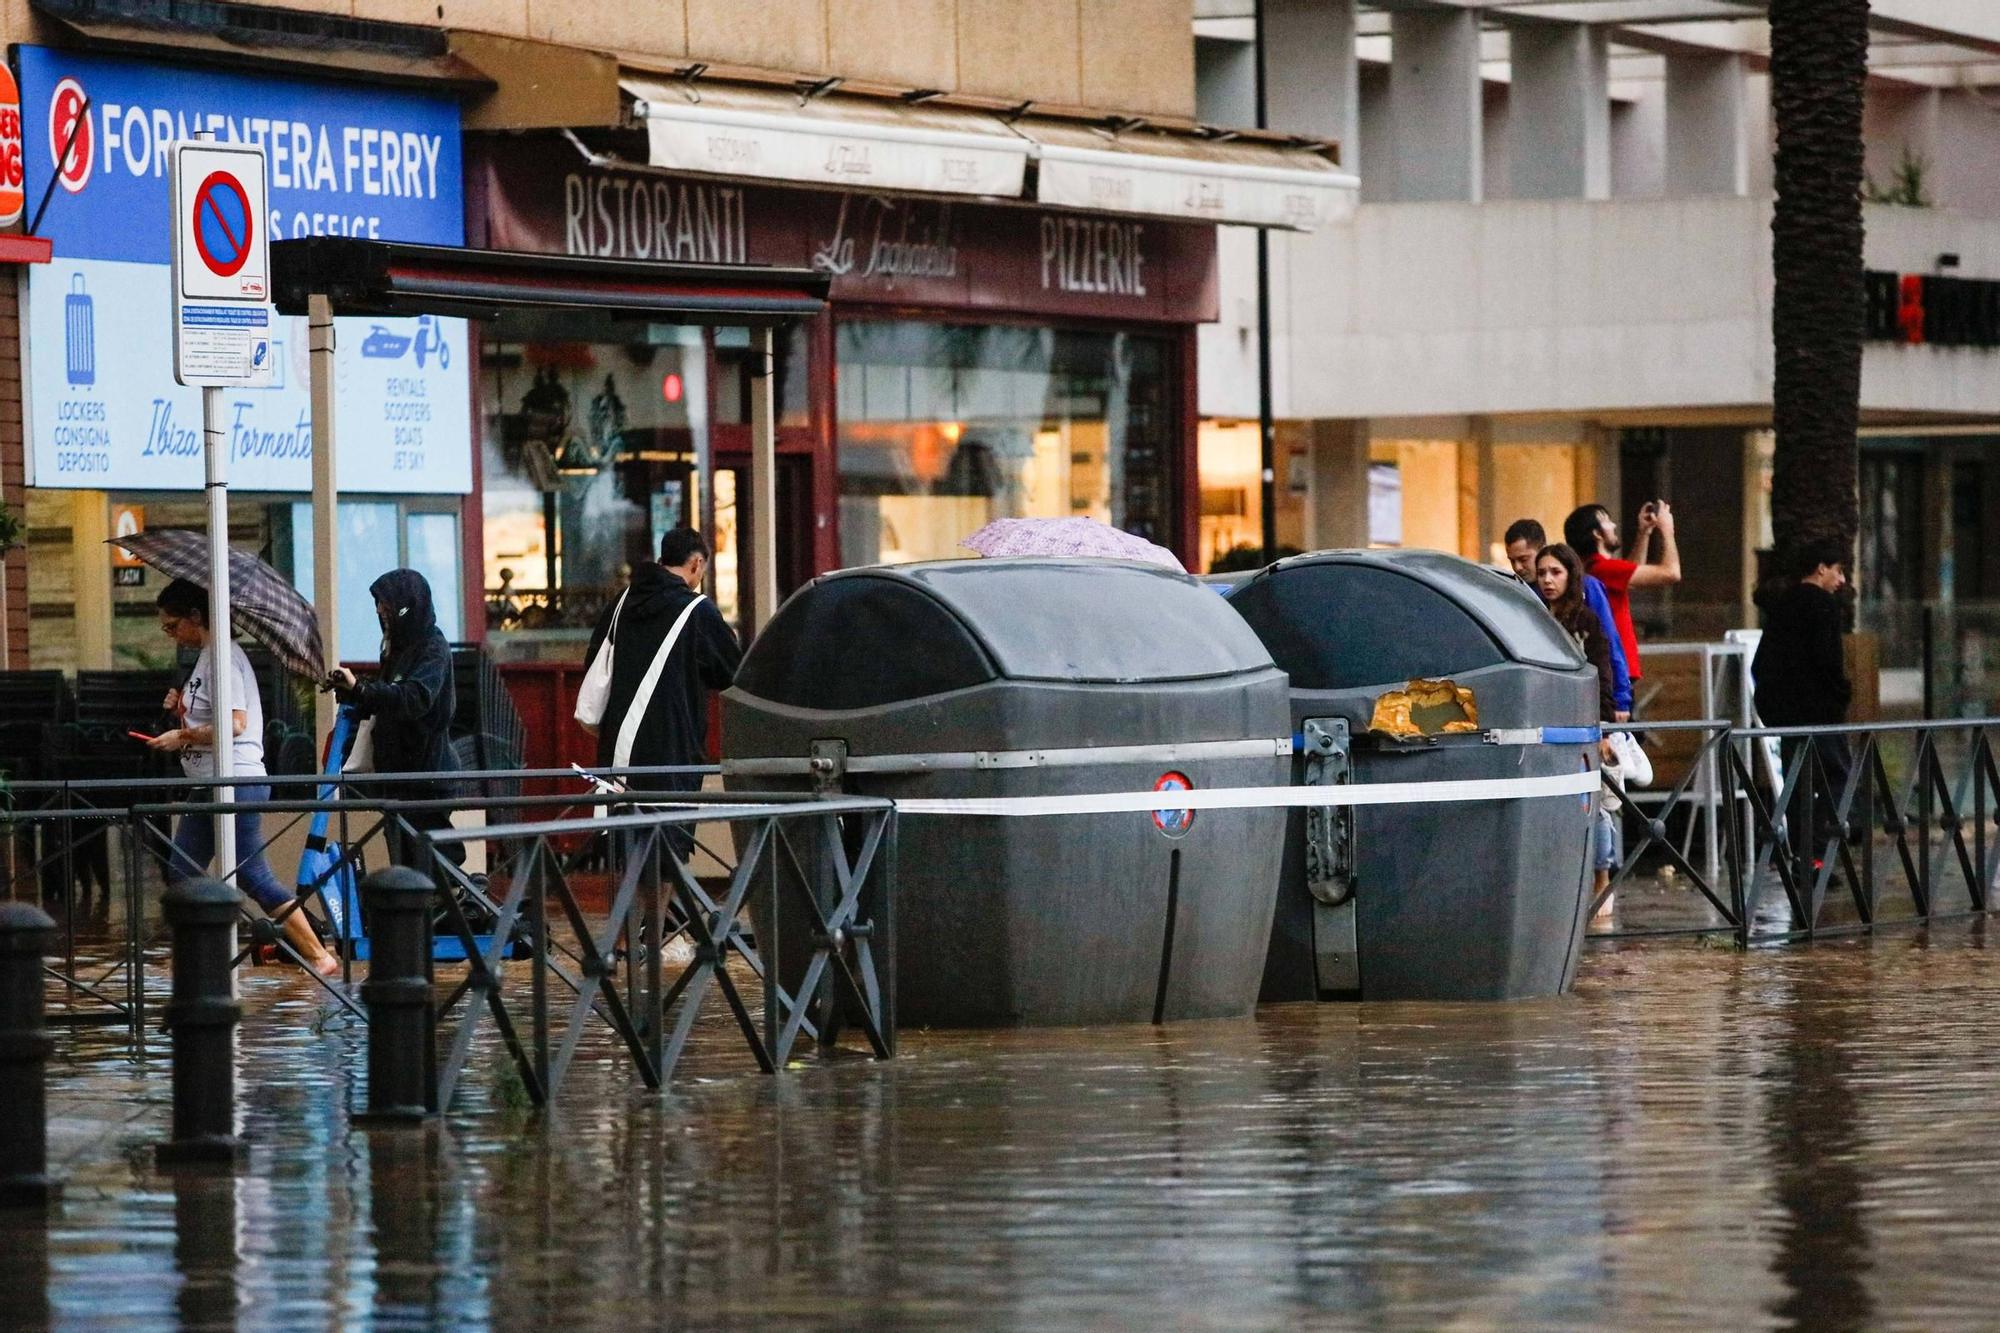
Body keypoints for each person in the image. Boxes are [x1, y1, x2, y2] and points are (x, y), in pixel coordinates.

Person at [148, 579, 339, 978]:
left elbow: (235, 724)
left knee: (252, 874)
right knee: (182, 870)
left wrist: (181, 736)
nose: (170, 635)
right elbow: (212, 713)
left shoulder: (223, 658)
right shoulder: (207, 658)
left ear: (196, 616)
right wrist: (180, 707)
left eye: (172, 626)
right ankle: (196, 957)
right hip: (211, 783)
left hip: (234, 780)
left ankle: (318, 955)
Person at [584, 528, 742, 793]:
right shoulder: (697, 611)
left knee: (620, 817)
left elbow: (594, 661)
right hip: (674, 751)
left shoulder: (620, 603)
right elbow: (732, 672)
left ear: (662, 561)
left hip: (619, 750)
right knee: (670, 818)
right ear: (696, 563)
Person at [327, 570, 461, 868]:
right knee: (405, 864)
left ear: (405, 606)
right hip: (396, 778)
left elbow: (414, 698)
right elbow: (387, 699)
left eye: (385, 604)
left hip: (424, 778)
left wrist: (362, 690)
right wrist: (354, 693)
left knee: (427, 865)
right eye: (378, 603)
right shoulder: (394, 649)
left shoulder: (432, 646)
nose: (379, 610)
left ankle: (459, 892)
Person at [1533, 544, 1621, 921]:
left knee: (1594, 805)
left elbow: (1603, 672)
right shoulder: (1531, 617)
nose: (1548, 580)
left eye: (1555, 572)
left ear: (1570, 575)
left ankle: (1602, 878)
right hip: (1545, 722)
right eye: (1542, 572)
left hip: (1583, 724)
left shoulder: (1586, 620)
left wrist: (1603, 728)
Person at [1752, 537, 1854, 852]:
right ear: (1821, 569)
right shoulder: (1823, 605)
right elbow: (1828, 661)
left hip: (1786, 715)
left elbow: (1761, 662)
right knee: (1837, 777)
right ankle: (1821, 852)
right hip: (1820, 713)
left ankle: (1803, 855)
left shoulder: (1782, 605)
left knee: (1797, 784)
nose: (1841, 580)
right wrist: (1841, 694)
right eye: (1838, 570)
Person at [1504, 517, 1632, 719]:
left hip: (1593, 697)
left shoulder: (1587, 587)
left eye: (1524, 559)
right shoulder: (1521, 594)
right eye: (1512, 561)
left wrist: (1621, 698)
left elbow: (1609, 645)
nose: (1518, 567)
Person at [1563, 500, 1682, 688]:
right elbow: (1672, 573)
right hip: (1617, 669)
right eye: (1607, 521)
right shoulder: (1603, 568)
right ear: (1597, 533)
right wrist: (1667, 530)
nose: (1614, 526)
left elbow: (1630, 575)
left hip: (1612, 668)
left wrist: (1644, 532)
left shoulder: (1594, 569)